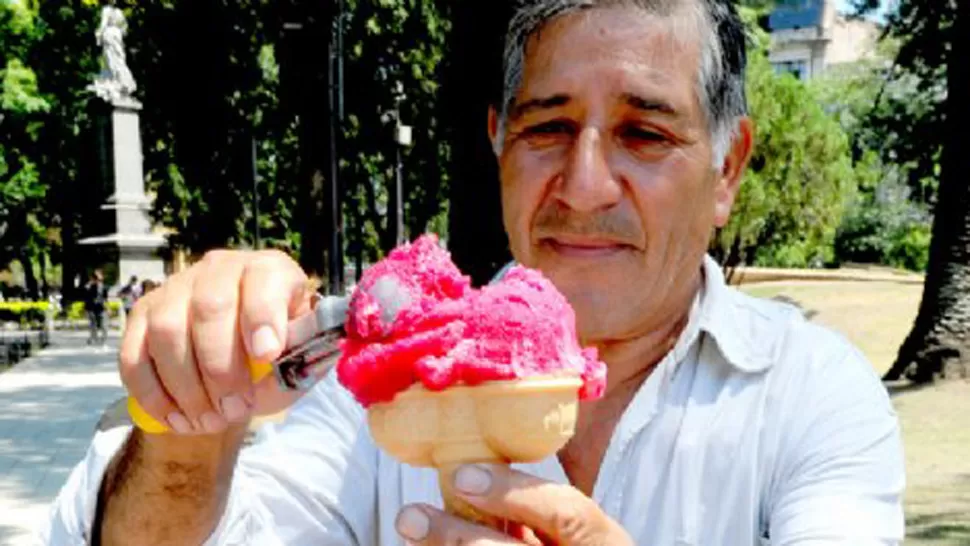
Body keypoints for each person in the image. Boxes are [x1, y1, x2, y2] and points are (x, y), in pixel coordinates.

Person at [41, 1, 905, 544]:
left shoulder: (810, 396)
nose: (586, 184)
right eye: (547, 128)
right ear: (498, 143)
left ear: (726, 169)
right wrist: (193, 429)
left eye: (646, 133)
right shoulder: (382, 386)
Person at [84, 270, 109, 347]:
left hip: (101, 308)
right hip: (91, 308)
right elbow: (85, 297)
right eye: (97, 277)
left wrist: (108, 308)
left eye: (100, 277)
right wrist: (85, 309)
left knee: (104, 325)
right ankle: (93, 338)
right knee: (93, 324)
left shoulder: (104, 287)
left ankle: (103, 340)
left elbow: (105, 298)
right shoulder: (88, 286)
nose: (98, 279)